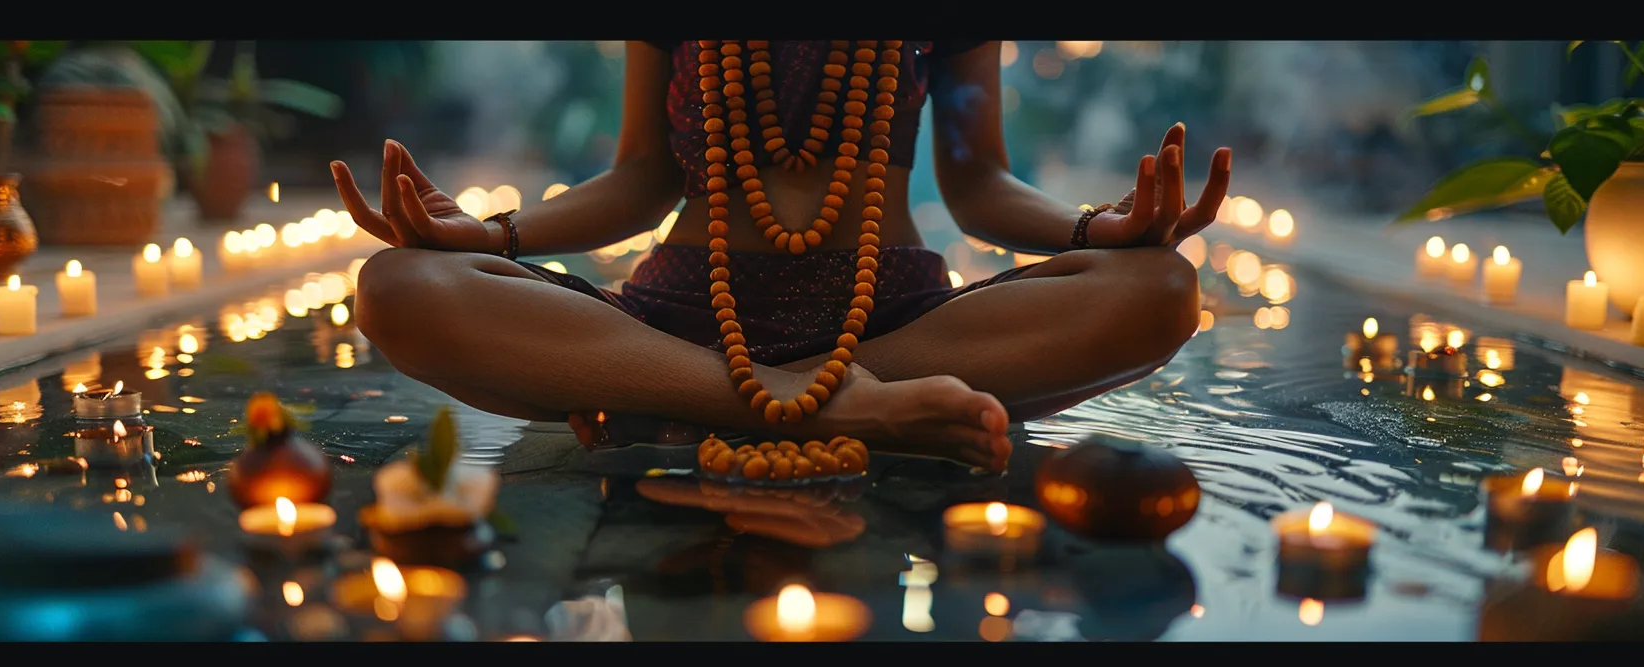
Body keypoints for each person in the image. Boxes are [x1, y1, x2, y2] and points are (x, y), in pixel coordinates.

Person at [331, 41, 1231, 473]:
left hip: (895, 323)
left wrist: (1090, 233)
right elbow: (643, 177)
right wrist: (492, 238)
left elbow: (982, 181)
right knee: (401, 285)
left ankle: (691, 400)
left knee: (1158, 289)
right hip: (685, 316)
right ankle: (836, 410)